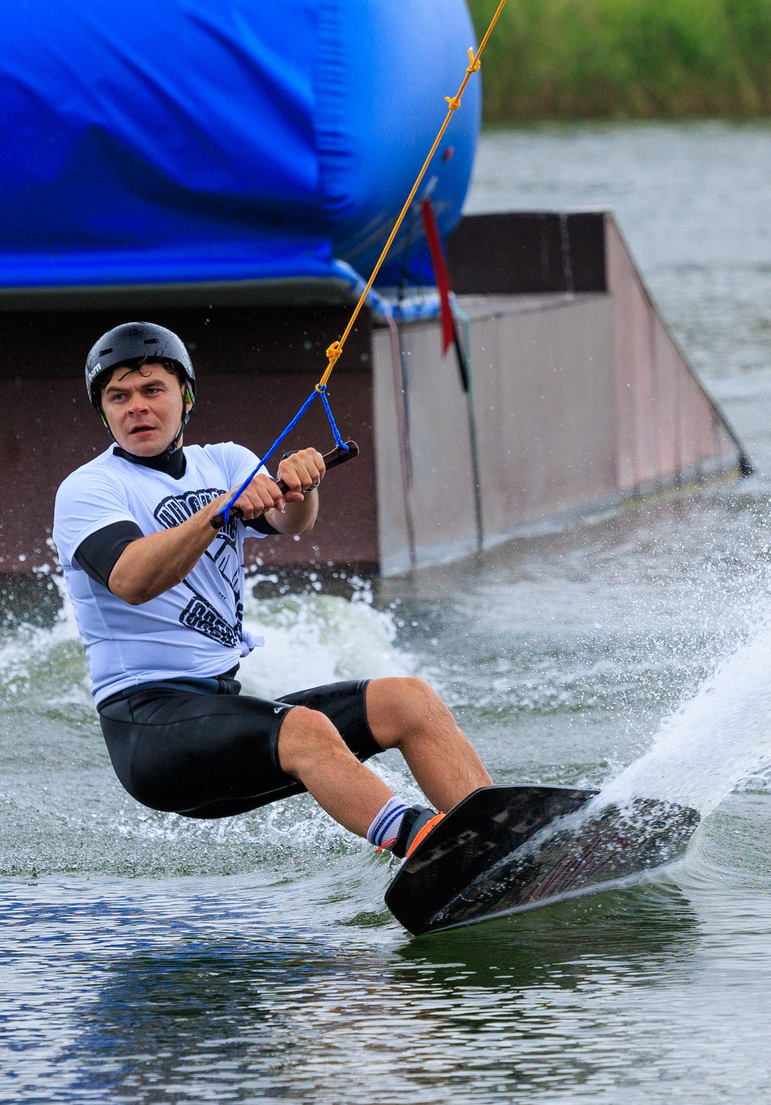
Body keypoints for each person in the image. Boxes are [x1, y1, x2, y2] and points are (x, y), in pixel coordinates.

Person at [52, 321, 495, 859]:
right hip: (149, 731)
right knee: (306, 730)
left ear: (185, 397)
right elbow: (130, 579)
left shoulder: (226, 461)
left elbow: (292, 522)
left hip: (221, 712)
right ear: (104, 412)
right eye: (117, 397)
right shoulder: (89, 489)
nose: (136, 407)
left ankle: (499, 833)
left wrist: (301, 484)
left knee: (409, 700)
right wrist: (216, 512)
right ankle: (431, 848)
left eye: (152, 391)